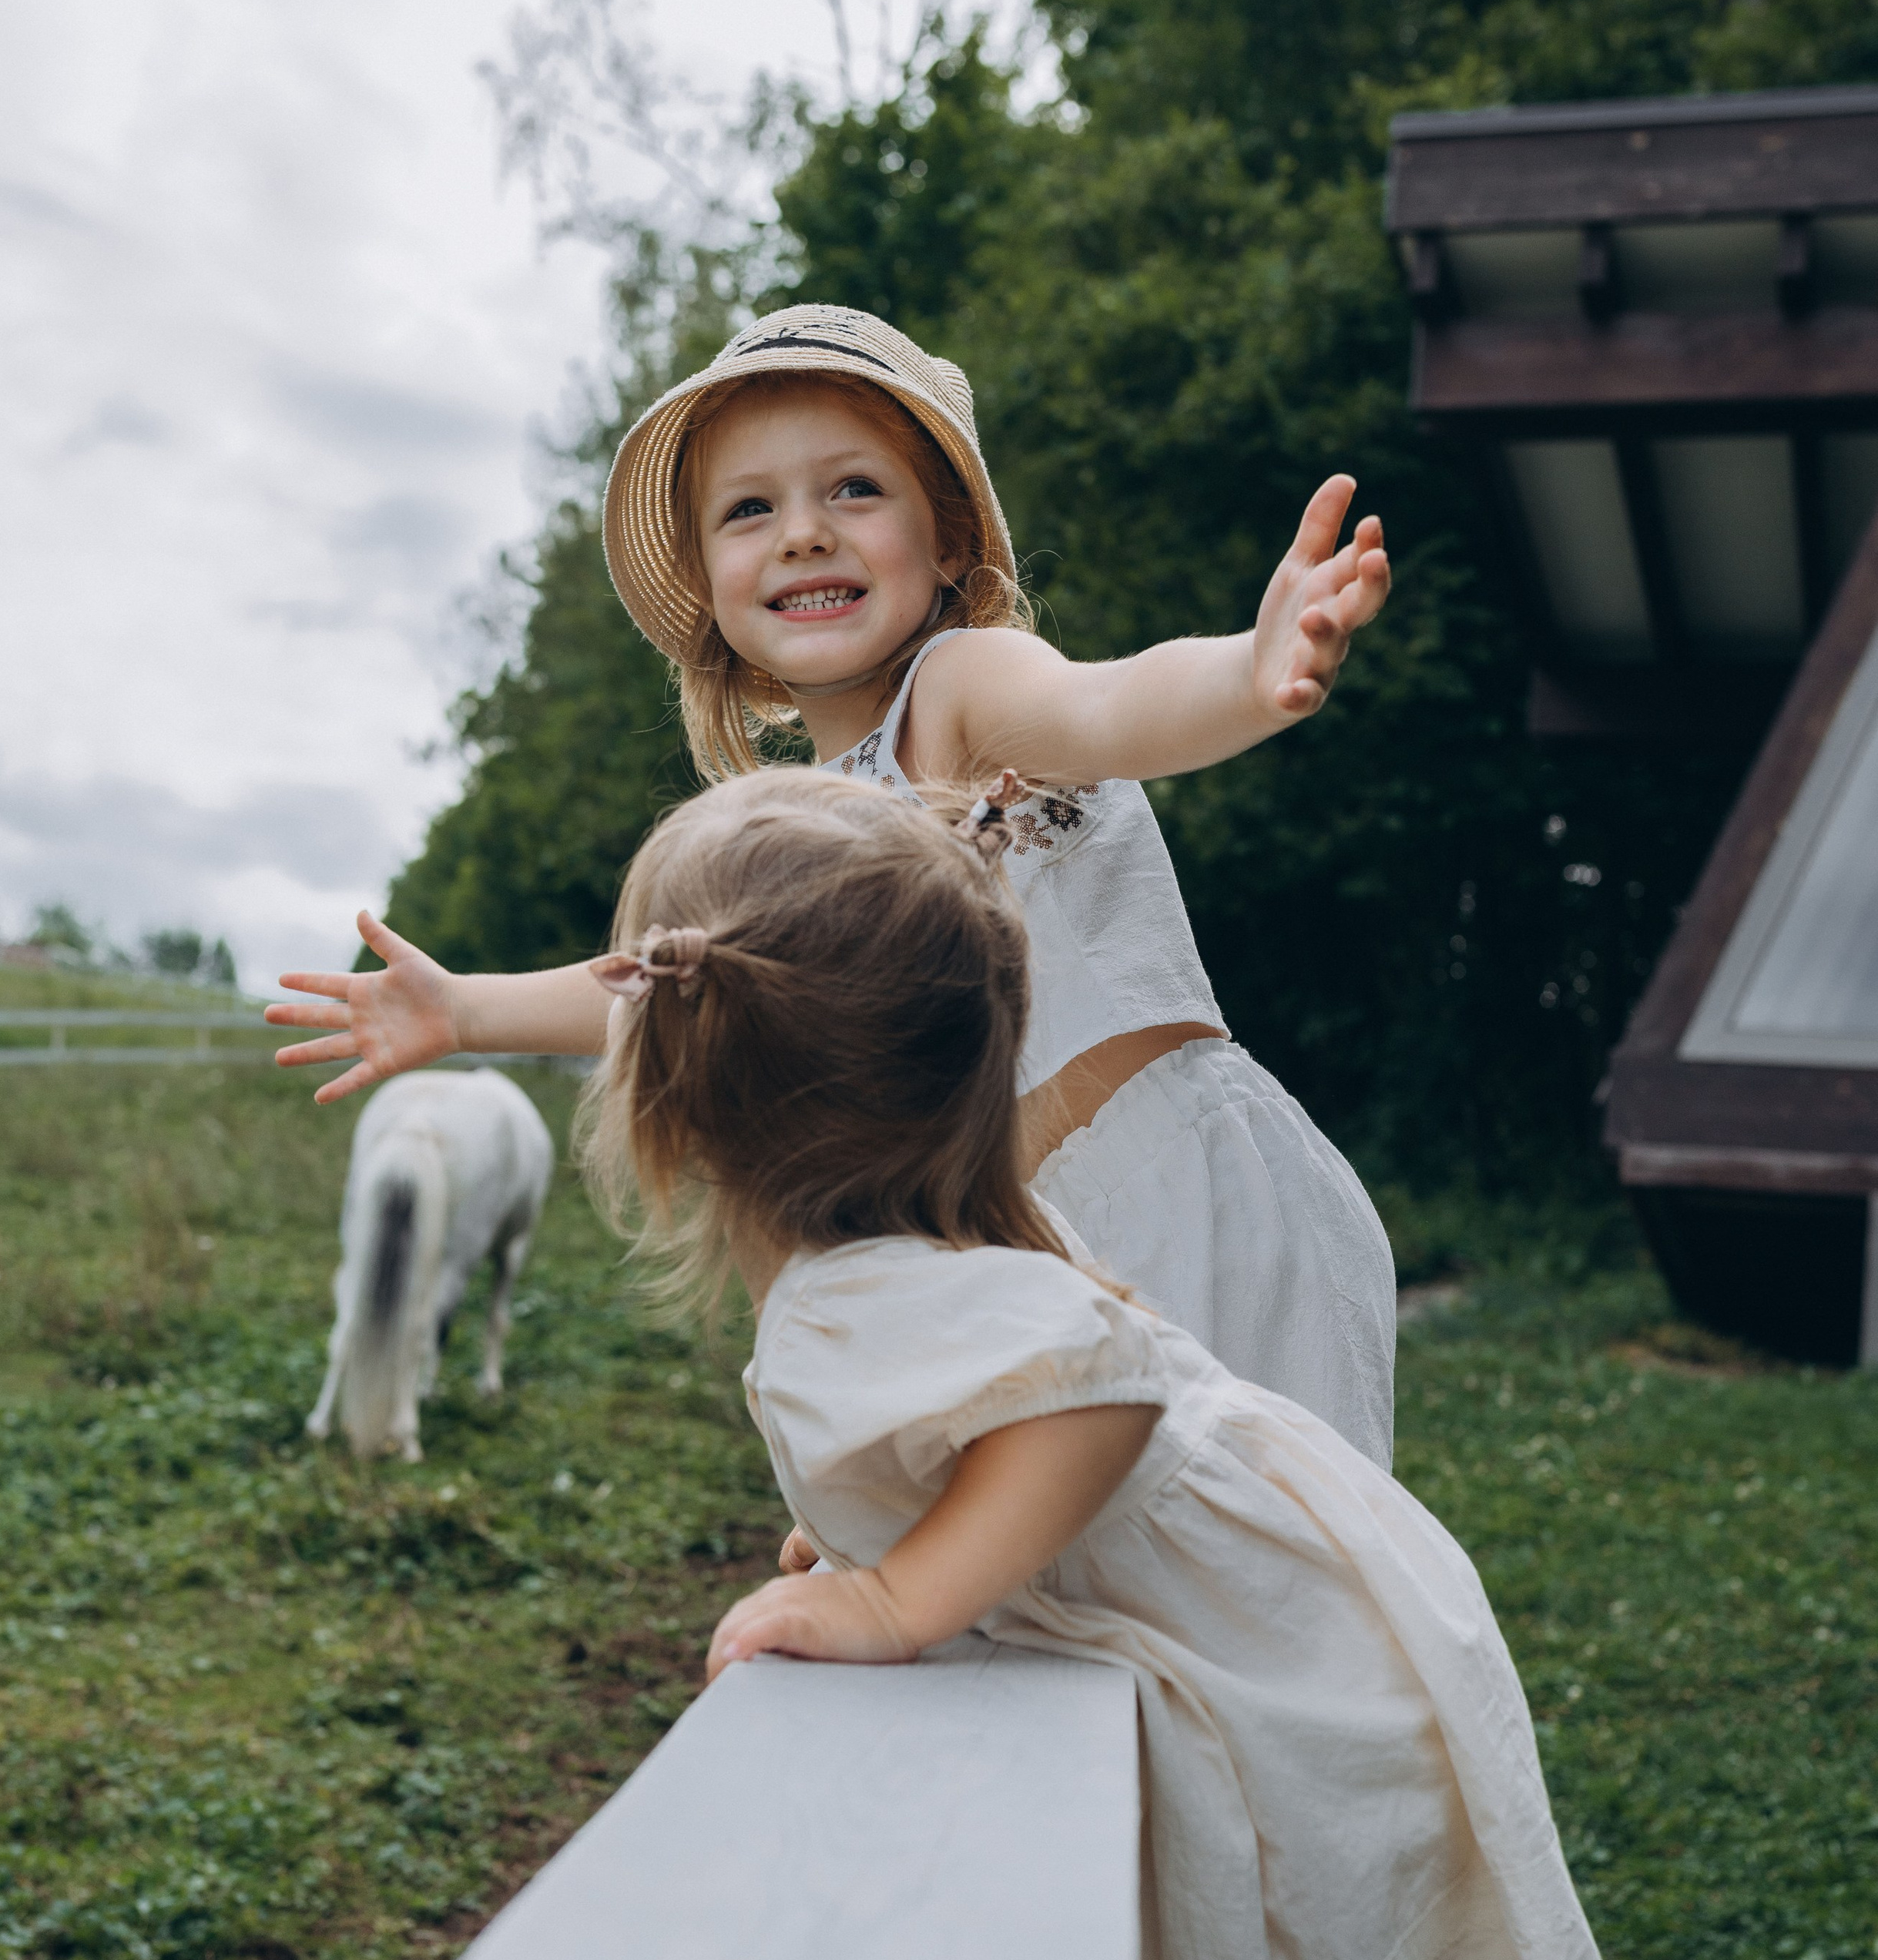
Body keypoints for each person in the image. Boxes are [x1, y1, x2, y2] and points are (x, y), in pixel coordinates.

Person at [575, 766, 1640, 1960]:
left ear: (671, 1106)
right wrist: (878, 1535)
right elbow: (1015, 1396)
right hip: (1303, 1643)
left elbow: (1086, 1398)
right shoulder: (925, 1257)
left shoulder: (853, 1301)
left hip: (1278, 1701)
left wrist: (900, 1595)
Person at [270, 302, 1400, 1469]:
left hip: (1180, 1205)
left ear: (951, 539)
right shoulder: (801, 827)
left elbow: (1110, 704)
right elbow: (676, 977)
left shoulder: (964, 689)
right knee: (1074, 1616)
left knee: (1263, 1586)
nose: (803, 534)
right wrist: (465, 1011)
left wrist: (1248, 670)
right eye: (750, 509)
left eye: (854, 489)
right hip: (1020, 1256)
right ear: (710, 582)